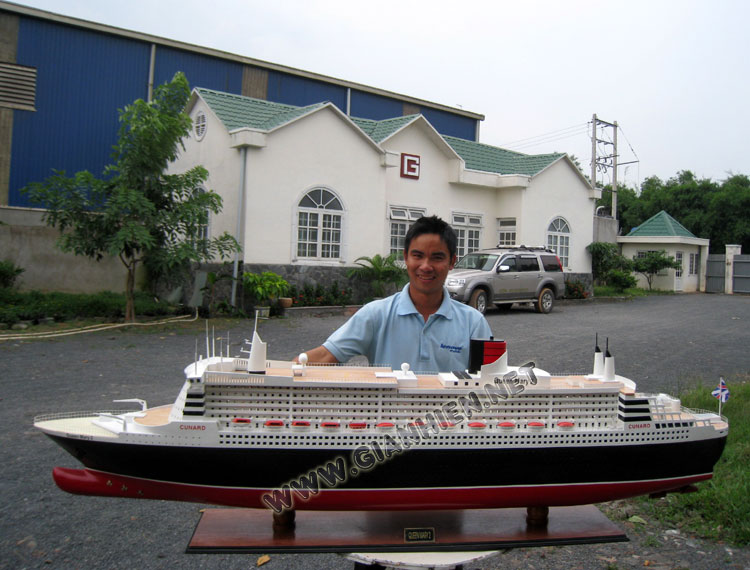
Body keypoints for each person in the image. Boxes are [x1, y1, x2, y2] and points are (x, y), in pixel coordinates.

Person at [299, 215, 492, 372]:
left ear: (452, 262)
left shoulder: (473, 323)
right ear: (405, 258)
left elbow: (490, 383)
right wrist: (290, 372)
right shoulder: (376, 315)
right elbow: (326, 356)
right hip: (388, 419)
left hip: (448, 420)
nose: (426, 266)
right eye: (417, 256)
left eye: (437, 257)